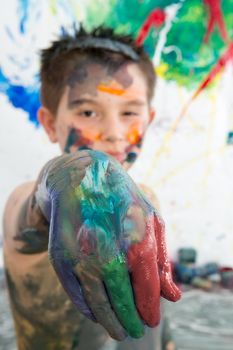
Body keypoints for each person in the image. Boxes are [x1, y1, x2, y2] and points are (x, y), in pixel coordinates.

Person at [3, 26, 181, 350]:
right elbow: (32, 208)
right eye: (88, 112)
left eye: (129, 112)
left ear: (149, 119)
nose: (113, 133)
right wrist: (67, 176)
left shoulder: (145, 200)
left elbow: (156, 319)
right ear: (49, 123)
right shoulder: (34, 200)